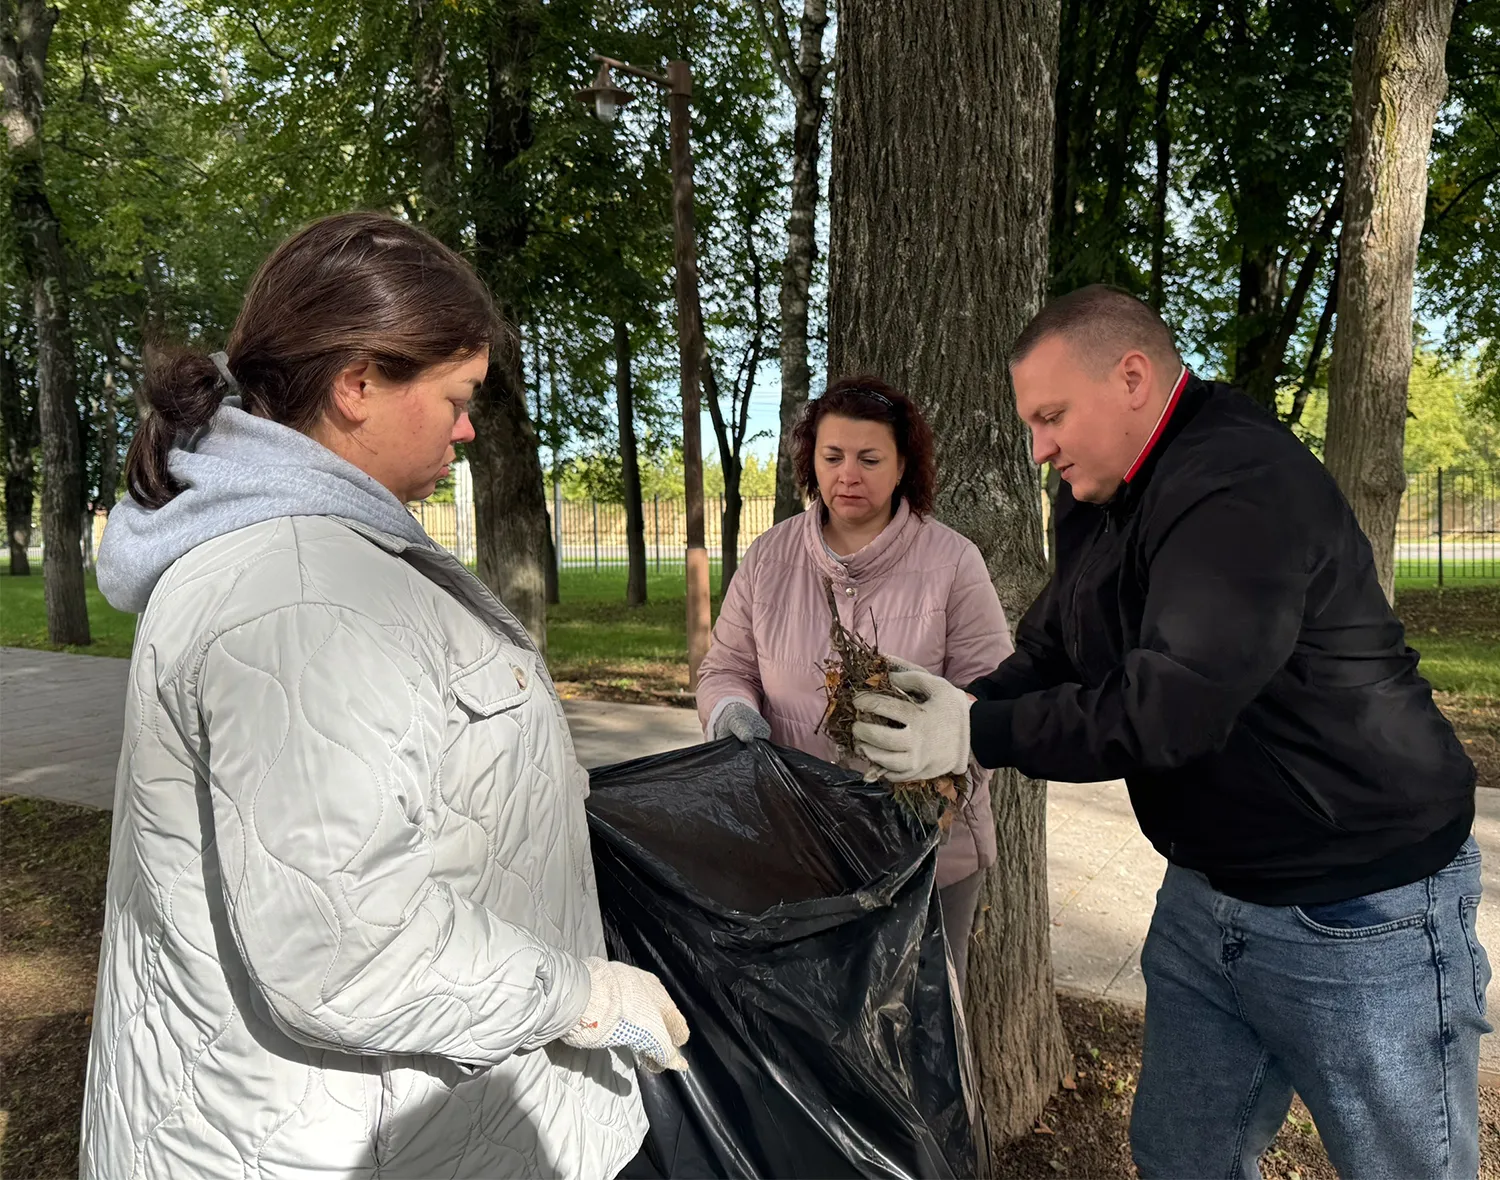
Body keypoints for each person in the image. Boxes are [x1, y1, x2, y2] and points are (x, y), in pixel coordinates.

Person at [81, 212, 687, 1180]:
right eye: (456, 396)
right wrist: (580, 995)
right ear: (357, 385)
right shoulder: (303, 595)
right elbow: (345, 947)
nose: (466, 427)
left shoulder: (312, 559)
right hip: (338, 1140)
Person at [852, 283, 1486, 1178]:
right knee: (1182, 1157)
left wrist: (976, 735)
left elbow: (1173, 704)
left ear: (1133, 378)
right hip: (1206, 893)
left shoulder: (1239, 482)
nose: (1039, 449)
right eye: (1031, 425)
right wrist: (961, 704)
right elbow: (1058, 646)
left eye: (1051, 417)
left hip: (1360, 902)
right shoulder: (1098, 491)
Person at [694, 375, 1011, 997]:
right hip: (797, 845)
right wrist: (730, 710)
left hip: (926, 858)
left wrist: (945, 754)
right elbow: (727, 666)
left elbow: (995, 694)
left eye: (869, 459)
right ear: (811, 461)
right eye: (833, 456)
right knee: (811, 1019)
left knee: (921, 1025)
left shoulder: (953, 563)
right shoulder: (769, 558)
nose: (848, 475)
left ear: (902, 467)